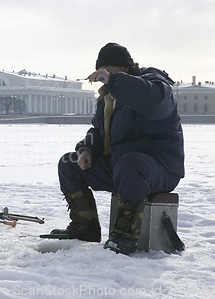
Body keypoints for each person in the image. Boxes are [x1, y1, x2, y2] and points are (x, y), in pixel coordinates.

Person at [51, 42, 185, 255]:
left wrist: (114, 81)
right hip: (124, 168)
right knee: (69, 164)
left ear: (126, 69)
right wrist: (86, 150)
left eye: (109, 71)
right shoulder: (108, 97)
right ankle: (85, 227)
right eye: (102, 72)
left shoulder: (155, 84)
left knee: (131, 163)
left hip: (160, 169)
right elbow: (99, 130)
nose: (104, 77)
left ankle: (124, 236)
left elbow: (153, 102)